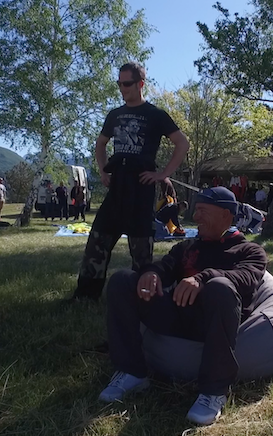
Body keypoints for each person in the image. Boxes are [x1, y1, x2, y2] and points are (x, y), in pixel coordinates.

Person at [99, 187, 267, 425]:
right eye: (195, 210)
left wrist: (203, 278)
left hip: (213, 325)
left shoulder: (250, 251)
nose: (195, 217)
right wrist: (153, 274)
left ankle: (213, 391)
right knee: (123, 280)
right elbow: (166, 266)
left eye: (202, 211)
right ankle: (132, 372)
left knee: (220, 286)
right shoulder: (188, 247)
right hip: (176, 315)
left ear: (226, 215)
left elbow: (247, 278)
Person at [72, 61, 190, 301]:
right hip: (117, 185)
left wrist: (162, 174)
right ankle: (85, 296)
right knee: (97, 240)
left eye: (126, 83)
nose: (122, 88)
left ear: (140, 84)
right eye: (119, 83)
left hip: (142, 187)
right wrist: (104, 172)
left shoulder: (155, 114)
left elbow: (182, 143)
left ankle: (142, 297)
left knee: (141, 249)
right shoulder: (114, 115)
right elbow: (101, 144)